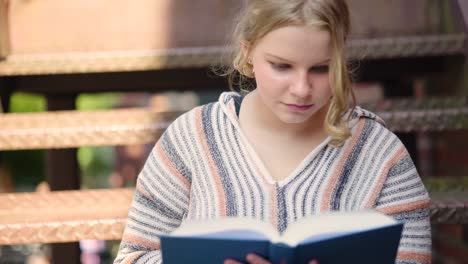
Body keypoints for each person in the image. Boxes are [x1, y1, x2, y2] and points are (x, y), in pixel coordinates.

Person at [114, 0, 432, 263]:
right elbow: (133, 256)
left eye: (321, 68)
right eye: (281, 66)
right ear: (248, 52)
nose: (301, 89)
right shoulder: (192, 138)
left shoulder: (380, 152)